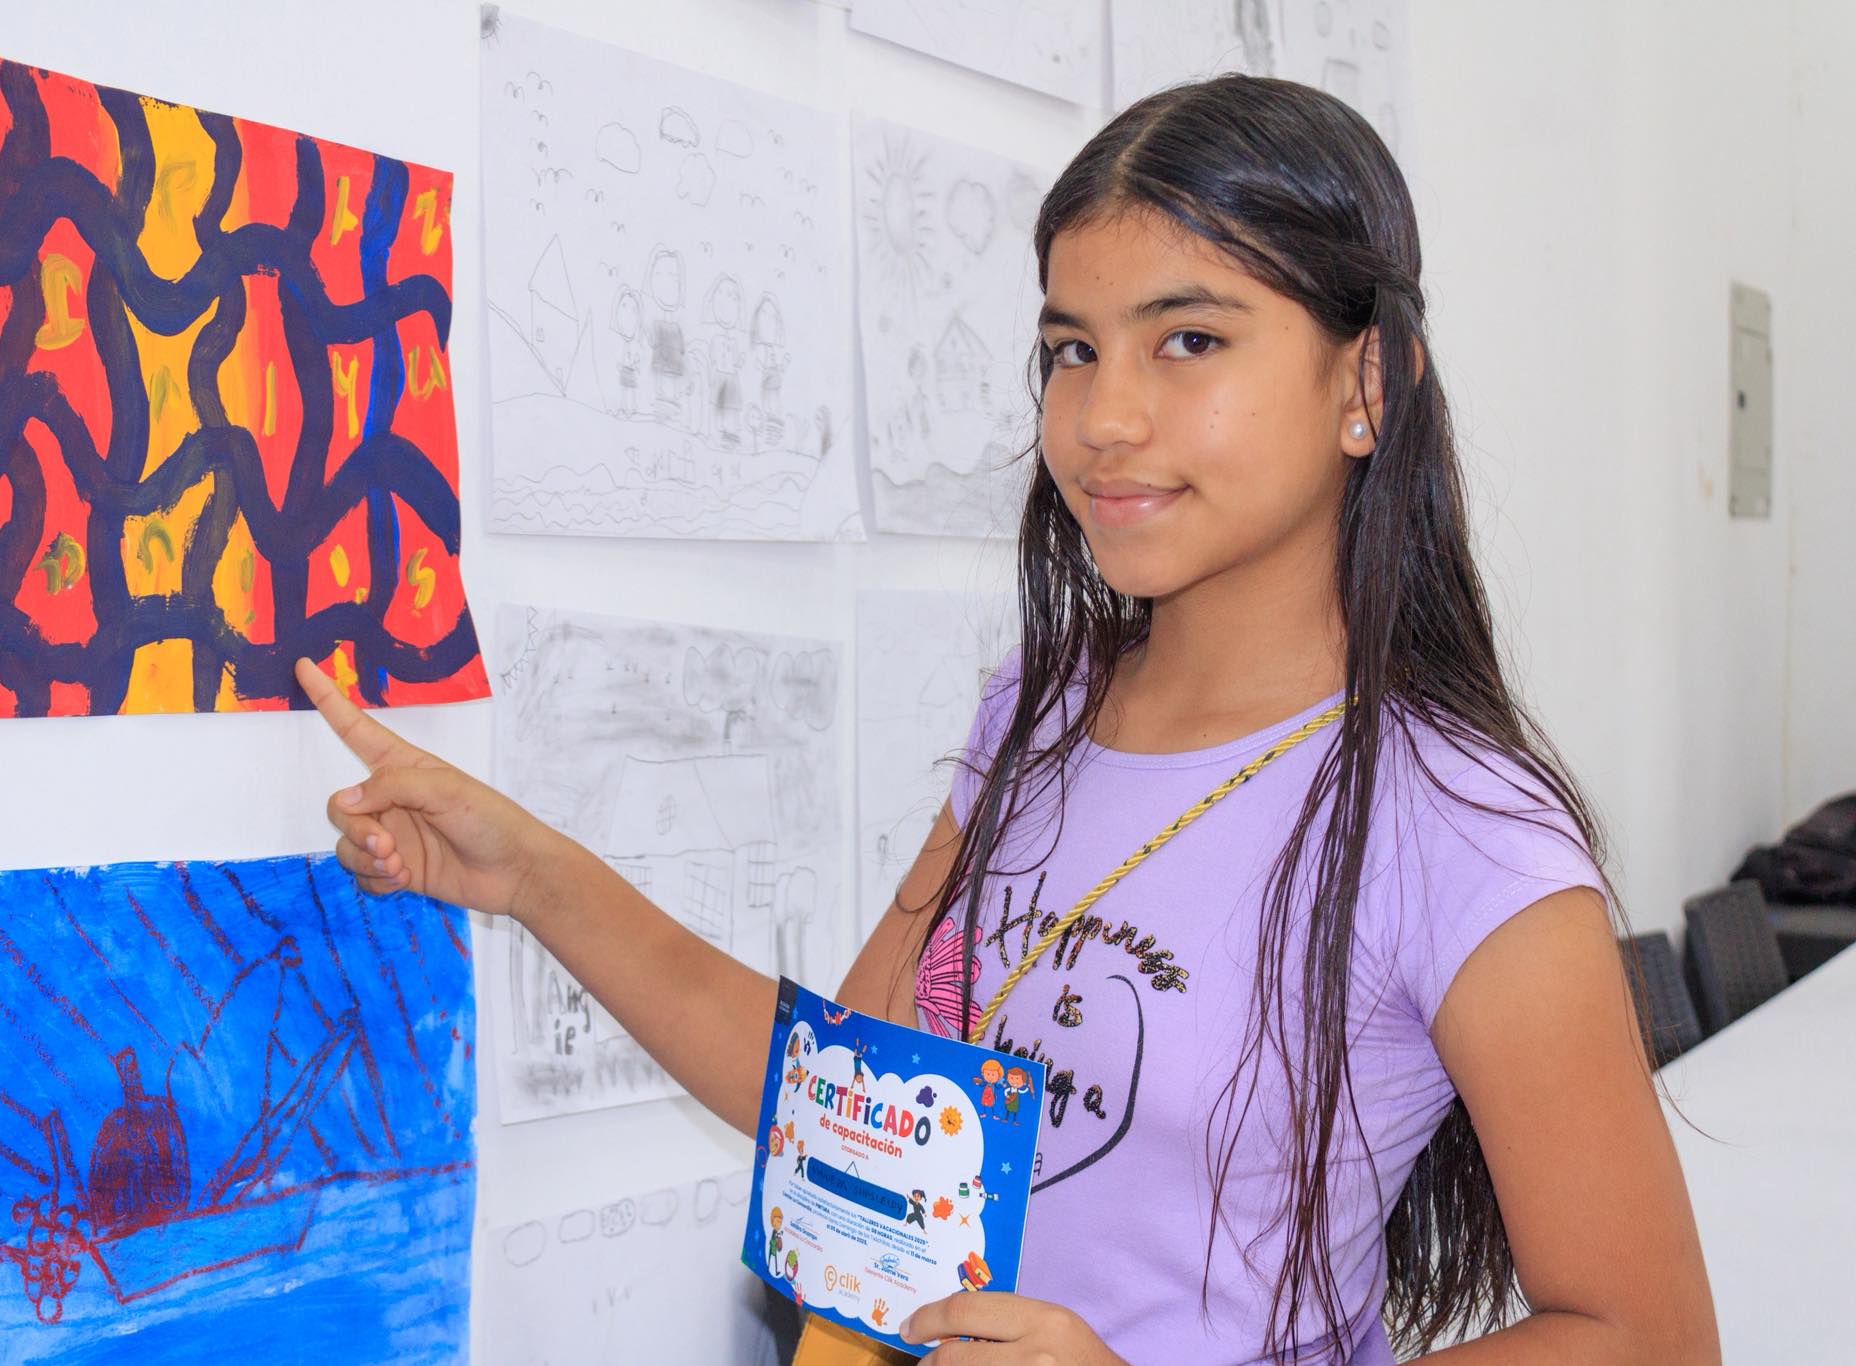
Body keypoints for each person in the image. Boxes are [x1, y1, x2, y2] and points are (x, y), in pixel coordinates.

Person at [295, 73, 1717, 1365]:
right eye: (1072, 350)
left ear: (1365, 383)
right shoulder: (1039, 715)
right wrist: (532, 876)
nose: (1104, 418)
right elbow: (844, 1092)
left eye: (1189, 340)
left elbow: (1647, 1337)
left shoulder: (1462, 823)